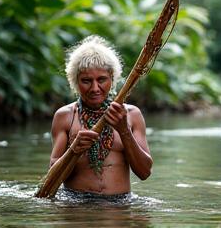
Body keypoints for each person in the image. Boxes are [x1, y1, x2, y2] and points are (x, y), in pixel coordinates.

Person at [50, 35, 153, 196]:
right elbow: (52, 177)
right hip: (75, 205)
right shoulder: (65, 117)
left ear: (112, 78)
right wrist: (74, 150)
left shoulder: (131, 115)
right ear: (75, 81)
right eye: (86, 81)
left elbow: (145, 172)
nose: (95, 88)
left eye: (102, 79)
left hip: (120, 206)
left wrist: (124, 131)